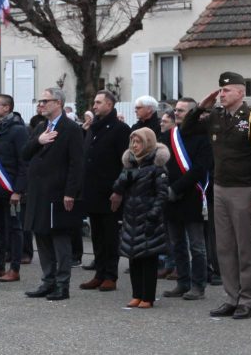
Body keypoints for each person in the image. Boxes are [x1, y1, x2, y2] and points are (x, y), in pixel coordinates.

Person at [198, 72, 251, 319]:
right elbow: (187, 128)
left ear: (241, 93)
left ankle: (247, 299)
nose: (222, 94)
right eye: (220, 90)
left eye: (227, 90)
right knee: (224, 247)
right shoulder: (216, 116)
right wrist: (202, 106)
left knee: (244, 247)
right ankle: (231, 297)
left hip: (245, 188)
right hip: (220, 187)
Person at [23, 87, 85, 301]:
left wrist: (70, 192)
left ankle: (62, 284)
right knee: (41, 236)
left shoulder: (71, 128)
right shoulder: (41, 126)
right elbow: (25, 153)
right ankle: (47, 281)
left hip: (58, 193)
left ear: (58, 103)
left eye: (45, 100)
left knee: (59, 239)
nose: (41, 104)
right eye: (40, 100)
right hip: (38, 192)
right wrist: (38, 141)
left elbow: (76, 163)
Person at [78, 90, 131, 292]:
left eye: (99, 102)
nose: (94, 106)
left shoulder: (120, 129)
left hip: (110, 192)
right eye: (94, 102)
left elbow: (125, 164)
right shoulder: (94, 128)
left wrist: (119, 190)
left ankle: (110, 275)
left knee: (110, 236)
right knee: (97, 236)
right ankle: (99, 273)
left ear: (109, 104)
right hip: (92, 191)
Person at [163, 98, 214, 300]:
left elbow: (200, 169)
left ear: (193, 113)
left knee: (196, 246)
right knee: (176, 244)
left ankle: (198, 286)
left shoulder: (203, 137)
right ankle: (182, 283)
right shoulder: (168, 136)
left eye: (182, 111)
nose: (177, 113)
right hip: (170, 196)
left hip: (192, 195)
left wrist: (177, 188)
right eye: (176, 110)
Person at [113, 128, 170, 308]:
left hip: (148, 218)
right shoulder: (130, 166)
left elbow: (162, 195)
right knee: (133, 257)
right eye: (133, 142)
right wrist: (125, 175)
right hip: (131, 217)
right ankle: (136, 294)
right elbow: (117, 188)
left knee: (148, 258)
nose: (134, 146)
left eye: (138, 142)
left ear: (147, 144)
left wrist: (153, 215)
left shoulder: (157, 168)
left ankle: (148, 296)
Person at [0, 94, 28, 282]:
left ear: (7, 108)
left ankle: (14, 268)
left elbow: (23, 162)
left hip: (11, 187)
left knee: (14, 228)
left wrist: (18, 190)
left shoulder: (18, 130)